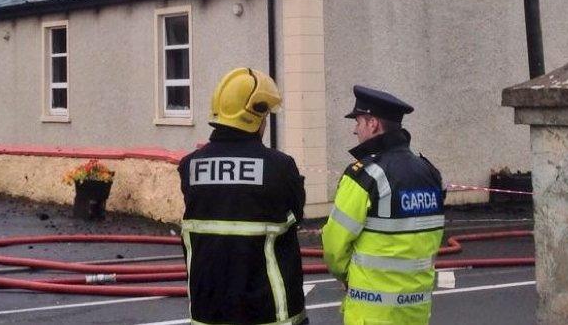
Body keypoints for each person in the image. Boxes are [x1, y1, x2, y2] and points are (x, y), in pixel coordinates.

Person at [178, 68, 308, 325]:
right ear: (256, 116)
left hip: (208, 313)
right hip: (270, 314)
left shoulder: (190, 167)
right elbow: (297, 215)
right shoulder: (280, 167)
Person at [322, 86, 445, 325]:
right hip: (417, 312)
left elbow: (334, 246)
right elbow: (431, 239)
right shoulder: (429, 173)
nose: (354, 130)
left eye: (358, 122)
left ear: (373, 124)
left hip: (371, 313)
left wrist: (346, 275)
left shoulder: (365, 175)